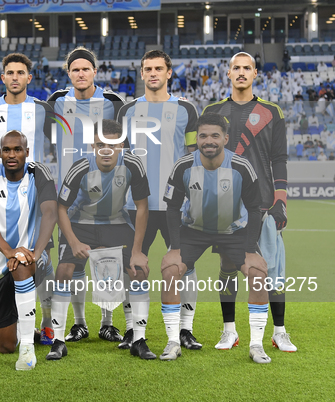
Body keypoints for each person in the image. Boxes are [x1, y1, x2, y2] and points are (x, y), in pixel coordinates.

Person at [203, 52, 295, 352]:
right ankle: (229, 330)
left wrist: (280, 200)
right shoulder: (213, 111)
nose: (241, 72)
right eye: (236, 68)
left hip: (264, 205)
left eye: (247, 68)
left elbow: (279, 158)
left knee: (270, 270)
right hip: (226, 205)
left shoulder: (272, 111)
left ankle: (279, 331)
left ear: (255, 73)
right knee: (228, 266)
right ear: (228, 74)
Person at [160, 112, 271, 363]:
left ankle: (256, 345)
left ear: (225, 138)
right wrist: (175, 247)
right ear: (196, 139)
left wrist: (252, 249)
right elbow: (172, 207)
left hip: (233, 231)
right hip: (194, 230)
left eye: (215, 136)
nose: (208, 141)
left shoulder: (241, 166)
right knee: (169, 270)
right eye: (203, 136)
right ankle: (172, 342)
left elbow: (255, 209)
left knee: (257, 274)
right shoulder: (184, 165)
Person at [46, 120, 152, 361]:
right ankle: (59, 341)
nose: (106, 149)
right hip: (80, 224)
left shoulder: (133, 164)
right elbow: (61, 208)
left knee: (139, 270)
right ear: (93, 146)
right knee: (64, 271)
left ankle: (138, 338)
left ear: (122, 145)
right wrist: (73, 242)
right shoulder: (80, 167)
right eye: (100, 144)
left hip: (116, 222)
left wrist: (137, 250)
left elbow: (142, 206)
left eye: (112, 144)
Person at [116, 50, 200, 350]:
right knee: (133, 268)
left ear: (169, 72)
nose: (152, 73)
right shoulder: (126, 112)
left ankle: (185, 329)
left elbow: (193, 158)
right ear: (141, 74)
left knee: (184, 268)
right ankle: (132, 330)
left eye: (158, 68)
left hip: (177, 206)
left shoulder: (186, 110)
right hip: (135, 205)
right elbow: (121, 158)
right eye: (147, 69)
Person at [48, 46, 126, 343]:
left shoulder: (113, 102)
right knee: (73, 262)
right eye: (75, 69)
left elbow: (123, 142)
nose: (81, 73)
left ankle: (108, 322)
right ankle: (79, 323)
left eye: (86, 68)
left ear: (95, 71)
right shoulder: (55, 102)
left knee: (108, 262)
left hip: (107, 196)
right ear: (68, 73)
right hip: (68, 199)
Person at [0, 53, 55, 346]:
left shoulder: (41, 108)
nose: (14, 77)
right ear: (2, 78)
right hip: (4, 187)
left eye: (20, 73)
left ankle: (46, 323)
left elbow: (54, 140)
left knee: (41, 256)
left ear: (28, 78)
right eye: (9, 73)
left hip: (36, 187)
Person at [0, 130, 57, 370]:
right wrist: (9, 251)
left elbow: (50, 213)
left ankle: (27, 351)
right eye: (6, 150)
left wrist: (36, 252)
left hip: (30, 259)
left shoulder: (38, 172)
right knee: (5, 345)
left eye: (17, 149)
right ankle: (25, 328)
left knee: (22, 265)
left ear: (26, 152)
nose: (12, 155)